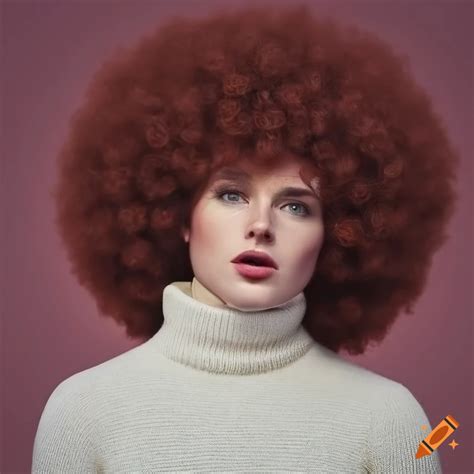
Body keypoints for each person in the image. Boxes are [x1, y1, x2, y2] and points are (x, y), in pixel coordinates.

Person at [32, 5, 459, 472]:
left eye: (296, 206)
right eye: (231, 194)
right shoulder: (82, 413)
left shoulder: (391, 423)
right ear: (179, 216)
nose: (261, 225)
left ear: (338, 236)